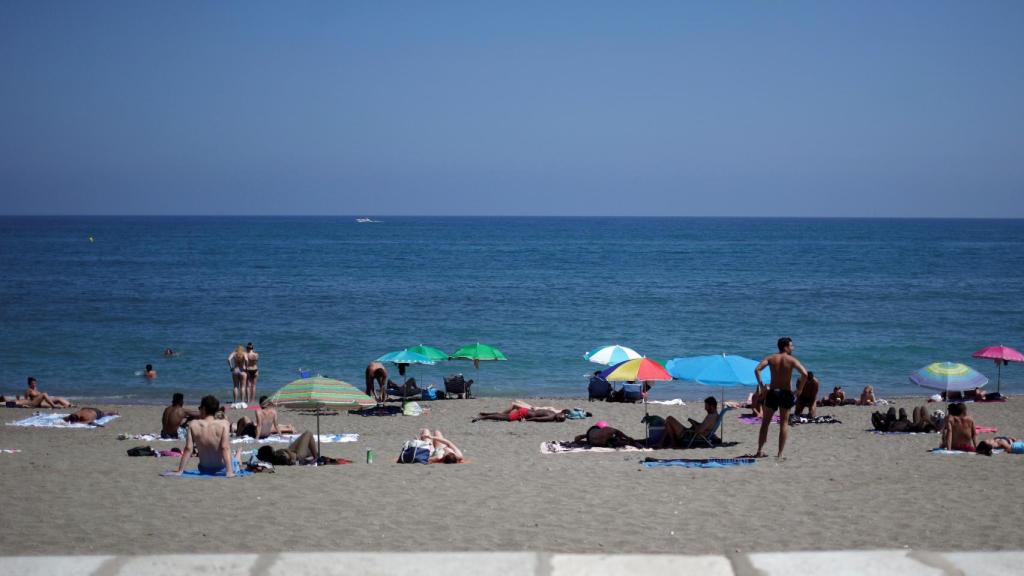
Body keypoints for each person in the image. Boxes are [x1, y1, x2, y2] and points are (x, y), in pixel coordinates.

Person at [753, 337, 809, 458]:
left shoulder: (771, 358)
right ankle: (780, 454)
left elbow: (757, 369)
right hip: (786, 394)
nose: (793, 348)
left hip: (773, 392)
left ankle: (759, 450)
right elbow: (805, 374)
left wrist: (762, 387)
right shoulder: (792, 360)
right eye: (791, 346)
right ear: (785, 347)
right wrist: (799, 389)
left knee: (765, 423)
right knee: (783, 423)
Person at [167, 395, 236, 477]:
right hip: (221, 468)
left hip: (204, 469)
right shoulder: (224, 424)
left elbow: (188, 449)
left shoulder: (193, 424)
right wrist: (229, 471)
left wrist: (180, 470)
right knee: (235, 460)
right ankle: (238, 455)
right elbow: (225, 447)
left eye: (200, 408)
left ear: (204, 409)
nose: (199, 410)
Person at [574, 421, 642, 448]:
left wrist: (583, 436)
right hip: (606, 443)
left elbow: (576, 439)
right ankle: (634, 442)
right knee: (621, 440)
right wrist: (627, 438)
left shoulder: (590, 432)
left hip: (595, 443)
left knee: (617, 438)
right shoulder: (605, 430)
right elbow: (618, 432)